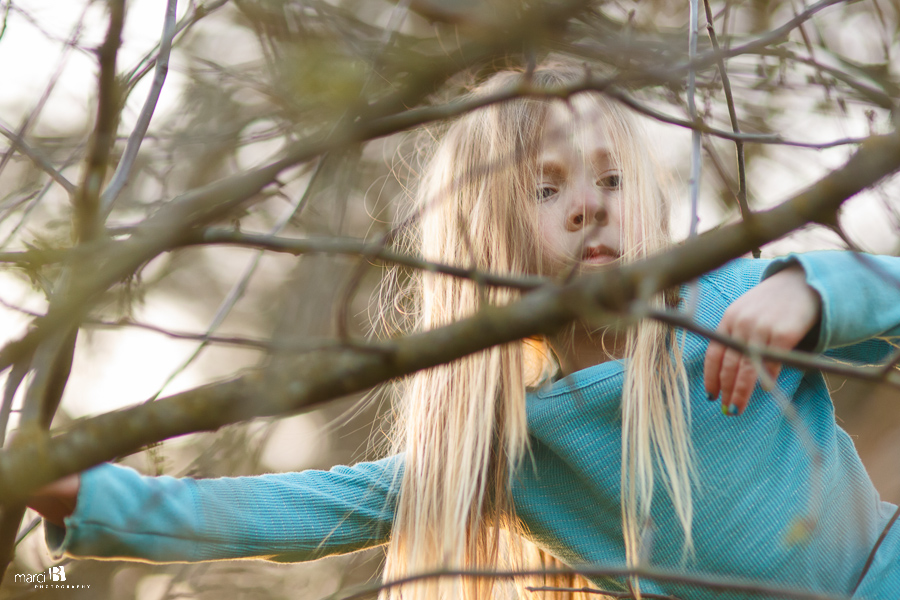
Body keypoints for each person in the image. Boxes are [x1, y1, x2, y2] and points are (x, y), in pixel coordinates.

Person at [26, 65, 900, 599]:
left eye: (608, 179)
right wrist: (87, 497)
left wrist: (809, 293)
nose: (589, 203)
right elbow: (293, 512)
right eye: (548, 190)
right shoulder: (513, 448)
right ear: (491, 245)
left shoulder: (731, 299)